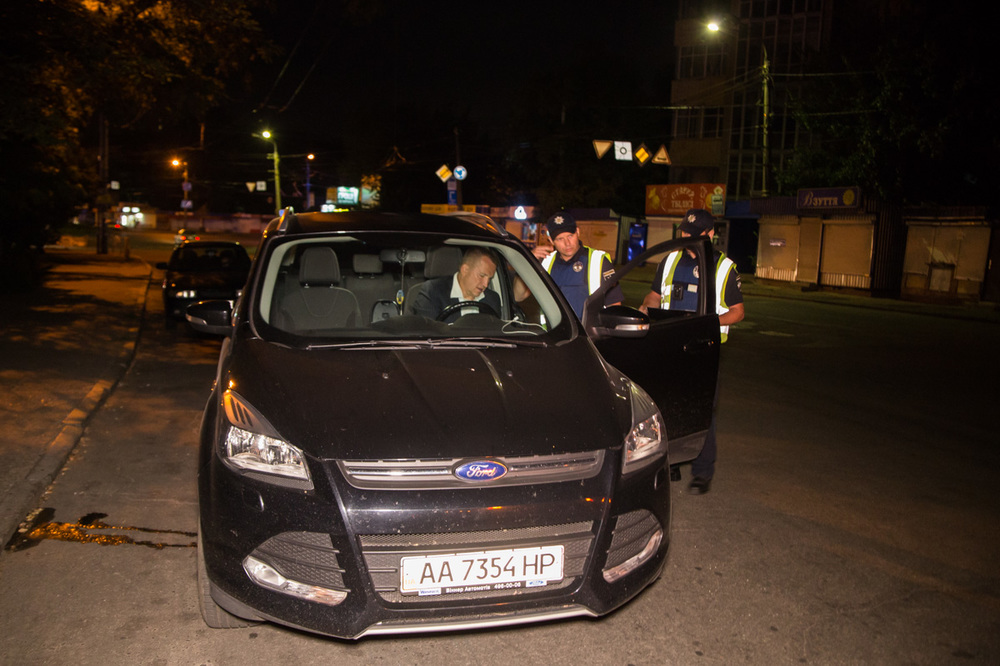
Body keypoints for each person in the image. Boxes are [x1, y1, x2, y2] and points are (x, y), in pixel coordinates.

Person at [640, 208, 745, 495]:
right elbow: (654, 295)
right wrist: (644, 308)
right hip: (669, 343)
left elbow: (737, 312)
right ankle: (670, 463)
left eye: (694, 235)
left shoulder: (724, 267)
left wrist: (708, 324)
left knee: (701, 410)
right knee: (664, 405)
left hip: (703, 348)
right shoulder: (670, 260)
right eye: (684, 233)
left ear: (710, 234)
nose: (687, 238)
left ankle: (702, 471)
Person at [532, 211, 623, 318]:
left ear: (578, 232)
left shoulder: (598, 261)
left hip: (589, 329)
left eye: (570, 236)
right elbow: (519, 295)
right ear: (551, 240)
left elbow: (614, 305)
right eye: (560, 239)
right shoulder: (545, 262)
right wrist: (528, 261)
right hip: (555, 329)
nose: (567, 243)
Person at [410, 246, 502, 320]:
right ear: (465, 270)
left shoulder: (492, 299)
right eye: (481, 276)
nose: (486, 284)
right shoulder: (432, 292)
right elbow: (426, 332)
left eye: (489, 278)